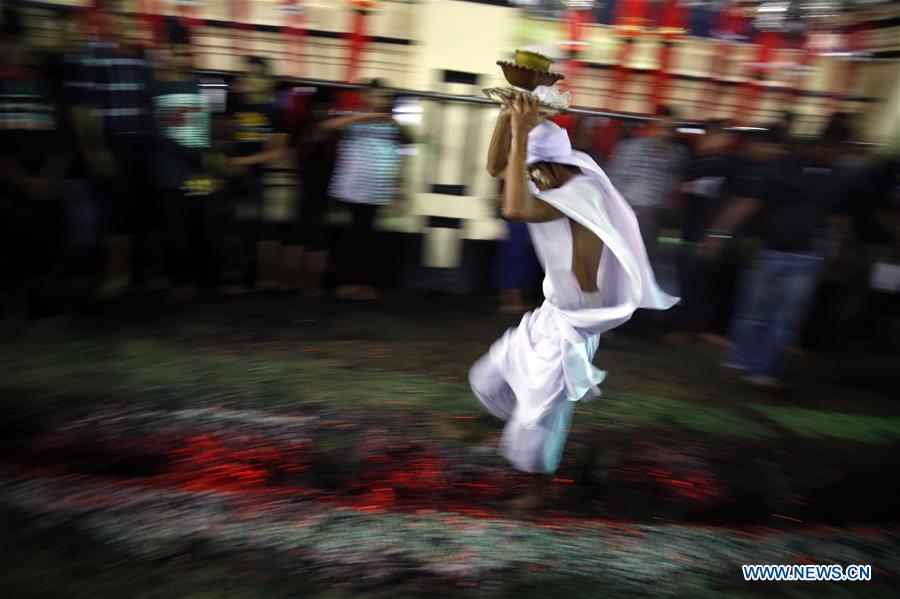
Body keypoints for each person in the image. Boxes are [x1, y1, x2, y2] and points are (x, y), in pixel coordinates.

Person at [469, 93, 678, 509]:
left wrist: (523, 130)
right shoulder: (553, 180)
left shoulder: (581, 194)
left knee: (543, 412)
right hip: (553, 311)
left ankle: (539, 490)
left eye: (535, 171)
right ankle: (509, 441)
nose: (532, 180)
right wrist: (507, 115)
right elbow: (496, 168)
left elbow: (512, 208)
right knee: (492, 373)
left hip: (576, 319)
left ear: (552, 166)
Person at [702, 122, 848, 389]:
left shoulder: (779, 170)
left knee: (756, 314)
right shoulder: (833, 176)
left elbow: (746, 204)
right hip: (804, 252)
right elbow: (837, 219)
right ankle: (760, 370)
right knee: (782, 319)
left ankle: (740, 363)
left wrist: (717, 235)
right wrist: (840, 251)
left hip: (774, 249)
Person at [67, 0, 156, 297]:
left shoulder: (142, 55)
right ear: (103, 18)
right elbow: (83, 108)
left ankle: (137, 274)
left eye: (125, 16)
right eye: (115, 15)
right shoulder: (92, 54)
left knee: (141, 212)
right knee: (115, 213)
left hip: (143, 145)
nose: (121, 21)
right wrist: (94, 149)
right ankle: (115, 275)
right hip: (113, 143)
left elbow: (151, 101)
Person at [0, 7, 69, 322]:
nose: (13, 49)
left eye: (16, 41)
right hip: (10, 184)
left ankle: (42, 303)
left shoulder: (48, 87)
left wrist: (47, 177)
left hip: (44, 183)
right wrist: (20, 179)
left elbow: (63, 136)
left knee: (44, 245)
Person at [150, 21, 217, 299]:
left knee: (202, 222)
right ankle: (180, 280)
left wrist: (209, 164)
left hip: (199, 170)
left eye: (183, 52)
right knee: (174, 227)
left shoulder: (207, 82)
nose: (179, 58)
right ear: (163, 51)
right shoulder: (153, 87)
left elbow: (218, 125)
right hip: (170, 172)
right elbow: (155, 132)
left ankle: (206, 278)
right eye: (174, 52)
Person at [326, 79, 406, 301]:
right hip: (353, 189)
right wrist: (367, 116)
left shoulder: (392, 125)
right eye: (374, 95)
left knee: (366, 238)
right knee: (356, 237)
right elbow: (327, 127)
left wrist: (396, 188)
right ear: (366, 97)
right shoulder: (355, 120)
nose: (378, 100)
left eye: (382, 96)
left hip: (375, 191)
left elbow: (401, 151)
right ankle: (351, 284)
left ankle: (357, 283)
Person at [224, 56, 288, 291]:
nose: (247, 79)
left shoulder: (274, 111)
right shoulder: (235, 105)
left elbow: (277, 152)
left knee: (261, 228)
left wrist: (241, 161)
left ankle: (264, 278)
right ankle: (234, 279)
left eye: (253, 74)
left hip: (256, 176)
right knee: (232, 227)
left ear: (265, 79)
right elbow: (224, 136)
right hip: (233, 176)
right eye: (245, 74)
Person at [608, 105, 688, 266]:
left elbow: (675, 183)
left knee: (643, 259)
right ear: (653, 127)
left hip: (656, 215)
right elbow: (614, 179)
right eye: (663, 128)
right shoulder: (631, 148)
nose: (666, 133)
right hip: (630, 209)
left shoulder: (678, 154)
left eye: (671, 129)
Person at [284, 88, 338, 297]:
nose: (322, 111)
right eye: (319, 107)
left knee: (308, 233)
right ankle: (305, 283)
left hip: (316, 187)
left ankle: (303, 282)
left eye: (325, 107)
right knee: (311, 233)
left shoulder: (314, 130)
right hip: (315, 187)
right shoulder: (312, 130)